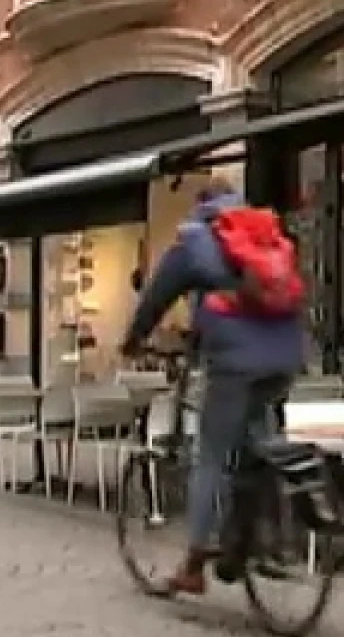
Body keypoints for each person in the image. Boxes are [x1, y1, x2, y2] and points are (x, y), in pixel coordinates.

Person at [121, 184, 306, 596]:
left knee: (211, 455)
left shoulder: (196, 241)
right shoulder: (266, 236)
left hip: (237, 364)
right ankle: (268, 538)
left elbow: (157, 296)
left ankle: (193, 564)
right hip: (284, 359)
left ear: (201, 206)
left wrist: (133, 341)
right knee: (261, 444)